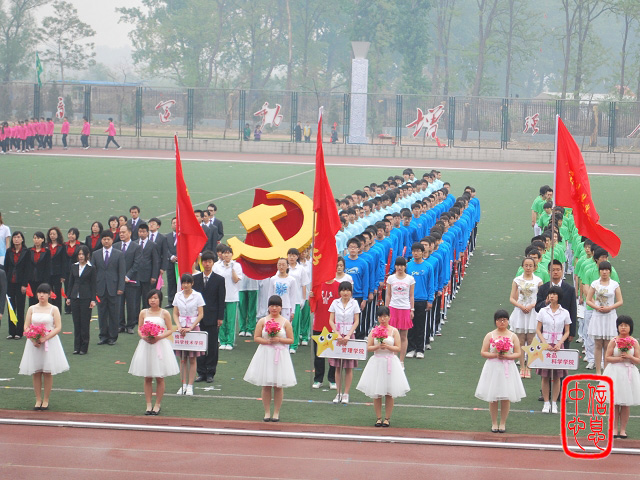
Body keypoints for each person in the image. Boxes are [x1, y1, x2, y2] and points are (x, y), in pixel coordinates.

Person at [243, 295, 296, 422]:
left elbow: (291, 340)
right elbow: (256, 337)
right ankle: (267, 412)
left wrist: (279, 339)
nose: (274, 308)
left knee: (278, 386)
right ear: (268, 307)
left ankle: (276, 412)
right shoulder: (263, 321)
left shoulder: (285, 322)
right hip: (266, 353)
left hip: (280, 354)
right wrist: (267, 341)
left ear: (281, 307)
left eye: (277, 306)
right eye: (272, 305)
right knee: (266, 385)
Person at [356, 306, 410, 427]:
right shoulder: (374, 331)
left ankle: (387, 418)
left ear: (389, 317)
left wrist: (388, 347)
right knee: (377, 393)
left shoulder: (394, 331)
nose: (383, 319)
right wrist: (378, 347)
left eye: (385, 316)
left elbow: (398, 347)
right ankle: (378, 418)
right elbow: (369, 347)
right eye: (380, 316)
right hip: (377, 362)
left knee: (389, 393)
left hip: (390, 361)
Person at [128, 289, 179, 415]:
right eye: (151, 298)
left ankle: (157, 404)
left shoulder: (164, 313)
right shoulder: (143, 312)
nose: (153, 300)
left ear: (160, 299)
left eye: (155, 298)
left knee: (159, 377)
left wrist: (159, 337)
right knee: (147, 377)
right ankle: (148, 404)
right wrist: (144, 336)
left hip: (160, 345)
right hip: (146, 346)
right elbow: (140, 328)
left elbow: (170, 329)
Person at [18, 283, 69, 410]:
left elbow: (58, 327)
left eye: (45, 293)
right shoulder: (32, 309)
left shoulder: (54, 309)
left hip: (49, 343)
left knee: (47, 372)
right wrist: (33, 338)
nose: (42, 295)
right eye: (40, 293)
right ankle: (38, 399)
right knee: (36, 372)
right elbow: (26, 326)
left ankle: (46, 399)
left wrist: (45, 338)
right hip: (34, 344)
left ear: (49, 294)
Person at [475, 309, 525, 433]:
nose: (502, 322)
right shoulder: (490, 335)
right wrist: (495, 355)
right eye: (499, 320)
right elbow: (483, 352)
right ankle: (494, 422)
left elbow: (518, 353)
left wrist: (507, 356)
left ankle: (502, 423)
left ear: (508, 321)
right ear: (495, 321)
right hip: (493, 367)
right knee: (493, 397)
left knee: (506, 396)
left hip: (507, 367)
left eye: (504, 320)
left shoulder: (512, 336)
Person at [602, 316, 640, 439]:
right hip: (615, 372)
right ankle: (614, 429)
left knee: (626, 403)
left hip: (629, 373)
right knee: (615, 403)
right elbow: (607, 357)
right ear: (617, 327)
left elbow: (638, 360)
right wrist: (619, 358)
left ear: (630, 327)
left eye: (626, 325)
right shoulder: (614, 341)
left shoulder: (634, 342)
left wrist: (630, 357)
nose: (623, 327)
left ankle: (623, 429)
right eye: (621, 325)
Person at [536, 285, 571, 414]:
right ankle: (546, 402)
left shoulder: (565, 312)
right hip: (545, 345)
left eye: (554, 294)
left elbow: (567, 331)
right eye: (550, 294)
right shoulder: (543, 311)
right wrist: (544, 343)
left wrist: (560, 343)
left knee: (557, 376)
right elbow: (538, 330)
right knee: (545, 376)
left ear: (558, 296)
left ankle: (554, 403)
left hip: (558, 346)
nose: (551, 296)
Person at [193, 250, 225, 383]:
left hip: (213, 317)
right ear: (202, 263)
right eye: (205, 262)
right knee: (199, 345)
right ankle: (201, 372)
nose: (207, 264)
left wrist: (220, 317)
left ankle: (210, 372)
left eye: (209, 262)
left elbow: (221, 300)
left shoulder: (219, 279)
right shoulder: (195, 279)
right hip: (198, 318)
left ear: (213, 263)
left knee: (212, 346)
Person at [586, 261, 623, 375]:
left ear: (610, 272)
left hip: (610, 316)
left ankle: (606, 371)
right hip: (598, 316)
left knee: (608, 345)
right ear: (599, 271)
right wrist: (597, 307)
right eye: (602, 270)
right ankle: (598, 371)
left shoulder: (614, 284)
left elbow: (620, 301)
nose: (604, 272)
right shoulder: (595, 284)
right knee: (598, 344)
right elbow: (588, 300)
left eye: (607, 270)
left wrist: (609, 308)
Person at [509, 257, 542, 378]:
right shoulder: (517, 280)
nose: (528, 268)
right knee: (521, 340)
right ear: (522, 266)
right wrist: (521, 306)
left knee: (532, 340)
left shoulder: (538, 281)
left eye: (530, 266)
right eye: (526, 265)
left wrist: (532, 305)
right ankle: (522, 366)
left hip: (533, 312)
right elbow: (512, 298)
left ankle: (529, 367)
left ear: (534, 267)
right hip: (520, 312)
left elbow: (541, 297)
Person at [328, 281, 360, 404]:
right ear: (339, 292)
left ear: (351, 292)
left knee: (348, 367)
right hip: (337, 336)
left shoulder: (354, 303)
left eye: (347, 290)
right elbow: (331, 320)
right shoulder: (334, 303)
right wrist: (336, 333)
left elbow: (356, 321)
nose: (345, 293)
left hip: (349, 336)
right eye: (343, 290)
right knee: (337, 366)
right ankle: (338, 393)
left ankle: (346, 393)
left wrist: (348, 335)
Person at [173, 274, 205, 396]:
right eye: (183, 283)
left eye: (188, 283)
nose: (185, 285)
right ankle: (183, 384)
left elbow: (200, 314)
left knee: (192, 358)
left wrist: (191, 327)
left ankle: (190, 386)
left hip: (193, 328)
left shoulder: (197, 296)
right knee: (182, 359)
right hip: (181, 329)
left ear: (192, 283)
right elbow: (175, 313)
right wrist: (179, 326)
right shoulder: (178, 295)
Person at [92, 230, 126, 346]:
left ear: (112, 240)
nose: (106, 241)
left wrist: (121, 287)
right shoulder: (96, 254)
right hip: (100, 288)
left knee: (114, 313)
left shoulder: (119, 254)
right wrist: (94, 289)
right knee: (102, 313)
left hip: (114, 288)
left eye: (108, 239)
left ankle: (112, 337)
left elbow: (122, 272)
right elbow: (93, 272)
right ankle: (103, 336)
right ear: (101, 240)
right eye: (104, 239)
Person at [66, 245, 96, 355]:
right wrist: (68, 297)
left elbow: (93, 285)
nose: (81, 256)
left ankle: (84, 347)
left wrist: (93, 299)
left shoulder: (91, 268)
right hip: (75, 297)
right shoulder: (74, 266)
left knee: (85, 323)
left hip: (86, 298)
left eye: (83, 254)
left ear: (87, 255)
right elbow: (70, 282)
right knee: (76, 322)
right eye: (79, 254)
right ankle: (76, 347)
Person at [385, 256, 415, 365]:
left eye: (402, 265)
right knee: (392, 335)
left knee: (403, 336)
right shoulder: (391, 278)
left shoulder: (410, 279)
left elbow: (411, 295)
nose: (399, 268)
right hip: (393, 308)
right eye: (397, 265)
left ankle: (401, 361)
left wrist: (412, 309)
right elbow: (388, 294)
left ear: (405, 266)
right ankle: (392, 359)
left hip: (405, 308)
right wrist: (386, 309)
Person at [213, 245, 242, 350]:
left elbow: (236, 280)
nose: (226, 255)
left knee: (230, 320)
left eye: (228, 253)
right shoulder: (216, 266)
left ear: (232, 254)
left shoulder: (237, 265)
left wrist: (231, 268)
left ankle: (230, 342)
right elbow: (214, 280)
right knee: (221, 320)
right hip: (220, 297)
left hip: (232, 297)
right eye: (224, 253)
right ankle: (223, 341)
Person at [114, 224, 142, 334]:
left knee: (131, 303)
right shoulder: (116, 246)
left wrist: (127, 276)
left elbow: (137, 263)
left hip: (131, 280)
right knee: (119, 304)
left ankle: (130, 325)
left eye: (123, 232)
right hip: (118, 281)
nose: (121, 234)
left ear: (129, 233)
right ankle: (120, 325)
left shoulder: (136, 247)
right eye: (120, 232)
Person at [5, 232, 28, 338]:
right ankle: (12, 332)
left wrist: (24, 284)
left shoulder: (26, 252)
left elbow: (27, 269)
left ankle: (19, 332)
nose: (16, 239)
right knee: (11, 307)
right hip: (10, 283)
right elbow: (6, 267)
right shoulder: (9, 251)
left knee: (20, 307)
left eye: (18, 237)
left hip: (20, 283)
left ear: (22, 239)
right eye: (14, 237)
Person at [136, 223, 160, 308]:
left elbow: (155, 261)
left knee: (146, 296)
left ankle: (146, 312)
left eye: (143, 232)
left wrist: (154, 276)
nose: (141, 233)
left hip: (147, 275)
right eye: (140, 231)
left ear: (147, 233)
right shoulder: (134, 243)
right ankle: (136, 315)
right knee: (135, 298)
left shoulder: (152, 245)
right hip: (136, 275)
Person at [27, 232, 50, 307]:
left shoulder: (46, 252)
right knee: (32, 298)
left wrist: (46, 281)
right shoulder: (29, 251)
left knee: (41, 297)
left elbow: (48, 267)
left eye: (38, 238)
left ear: (43, 239)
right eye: (35, 238)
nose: (36, 240)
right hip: (31, 278)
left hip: (42, 279)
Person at [46, 227, 65, 312]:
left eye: (54, 234)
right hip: (48, 273)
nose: (52, 236)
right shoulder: (46, 246)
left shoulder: (62, 246)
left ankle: (58, 311)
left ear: (58, 235)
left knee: (57, 293)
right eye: (50, 234)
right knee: (48, 292)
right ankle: (49, 310)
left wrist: (63, 275)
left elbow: (64, 261)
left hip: (58, 273)